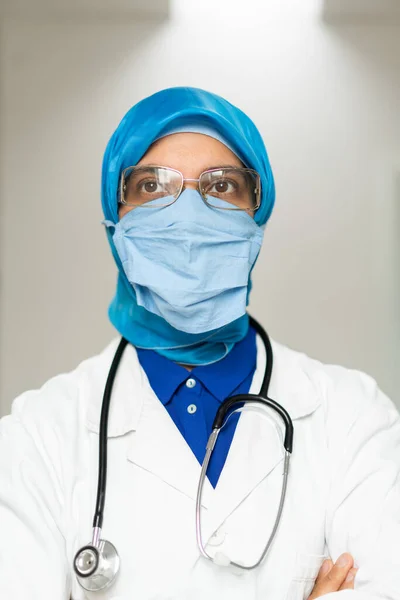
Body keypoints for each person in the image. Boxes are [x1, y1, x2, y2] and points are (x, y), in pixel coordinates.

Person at [0, 87, 399, 600]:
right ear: (115, 219)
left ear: (256, 217)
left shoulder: (353, 416)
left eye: (222, 185)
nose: (188, 216)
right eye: (151, 185)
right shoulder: (36, 438)